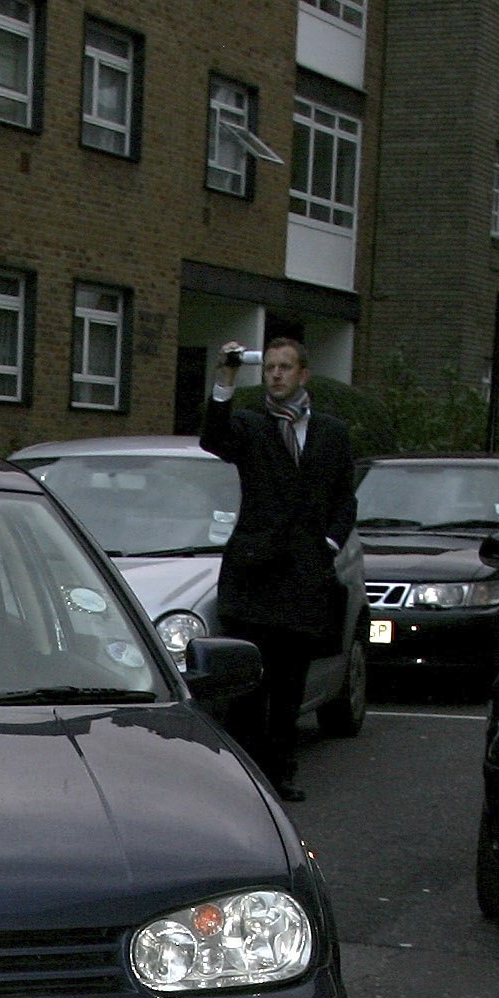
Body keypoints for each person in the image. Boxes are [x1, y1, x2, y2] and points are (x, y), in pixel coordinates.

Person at [199, 337, 356, 803]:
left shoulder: (330, 432)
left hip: (304, 579)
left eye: (285, 367)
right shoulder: (250, 427)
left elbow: (344, 498)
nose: (275, 375)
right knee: (250, 687)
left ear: (303, 374)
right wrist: (225, 377)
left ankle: (280, 773)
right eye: (269, 368)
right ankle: (248, 783)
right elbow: (214, 437)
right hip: (254, 577)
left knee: (289, 686)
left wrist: (327, 544)